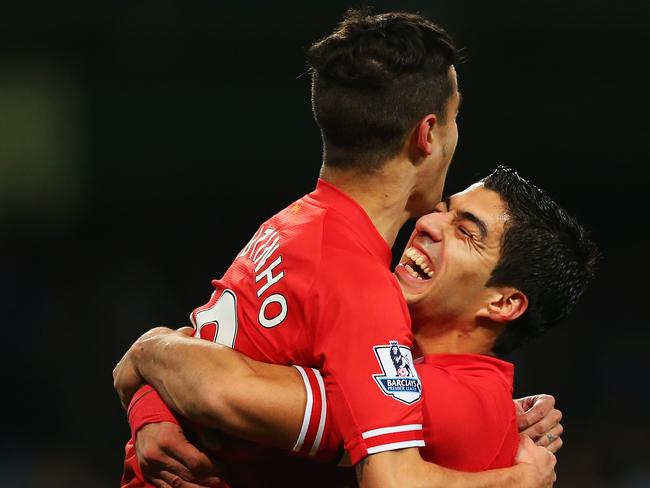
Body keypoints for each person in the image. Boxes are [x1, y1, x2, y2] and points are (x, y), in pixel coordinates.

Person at [115, 10, 558, 488]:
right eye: (456, 117)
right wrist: (518, 481)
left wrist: (148, 394)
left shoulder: (295, 224)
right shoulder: (360, 286)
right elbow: (391, 478)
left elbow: (176, 359)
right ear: (427, 134)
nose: (435, 226)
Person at [115, 166, 598, 486]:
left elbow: (217, 387)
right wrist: (151, 409)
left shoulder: (442, 400)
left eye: (466, 233)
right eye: (444, 210)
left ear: (504, 303)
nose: (429, 223)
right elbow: (198, 357)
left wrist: (146, 354)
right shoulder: (404, 359)